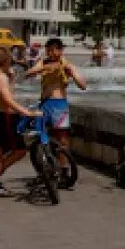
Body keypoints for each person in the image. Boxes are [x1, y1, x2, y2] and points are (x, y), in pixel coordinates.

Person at [25, 37, 87, 188]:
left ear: (60, 51)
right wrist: (43, 69)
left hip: (59, 105)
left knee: (63, 140)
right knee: (41, 137)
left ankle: (64, 170)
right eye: (49, 50)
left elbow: (83, 85)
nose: (51, 53)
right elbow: (29, 73)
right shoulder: (43, 63)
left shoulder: (66, 65)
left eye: (54, 50)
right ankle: (43, 171)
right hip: (45, 103)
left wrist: (72, 73)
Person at [0, 48, 42, 197]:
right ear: (5, 61)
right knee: (20, 150)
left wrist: (12, 79)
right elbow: (8, 99)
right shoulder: (0, 77)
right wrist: (26, 112)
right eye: (10, 60)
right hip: (7, 116)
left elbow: (0, 96)